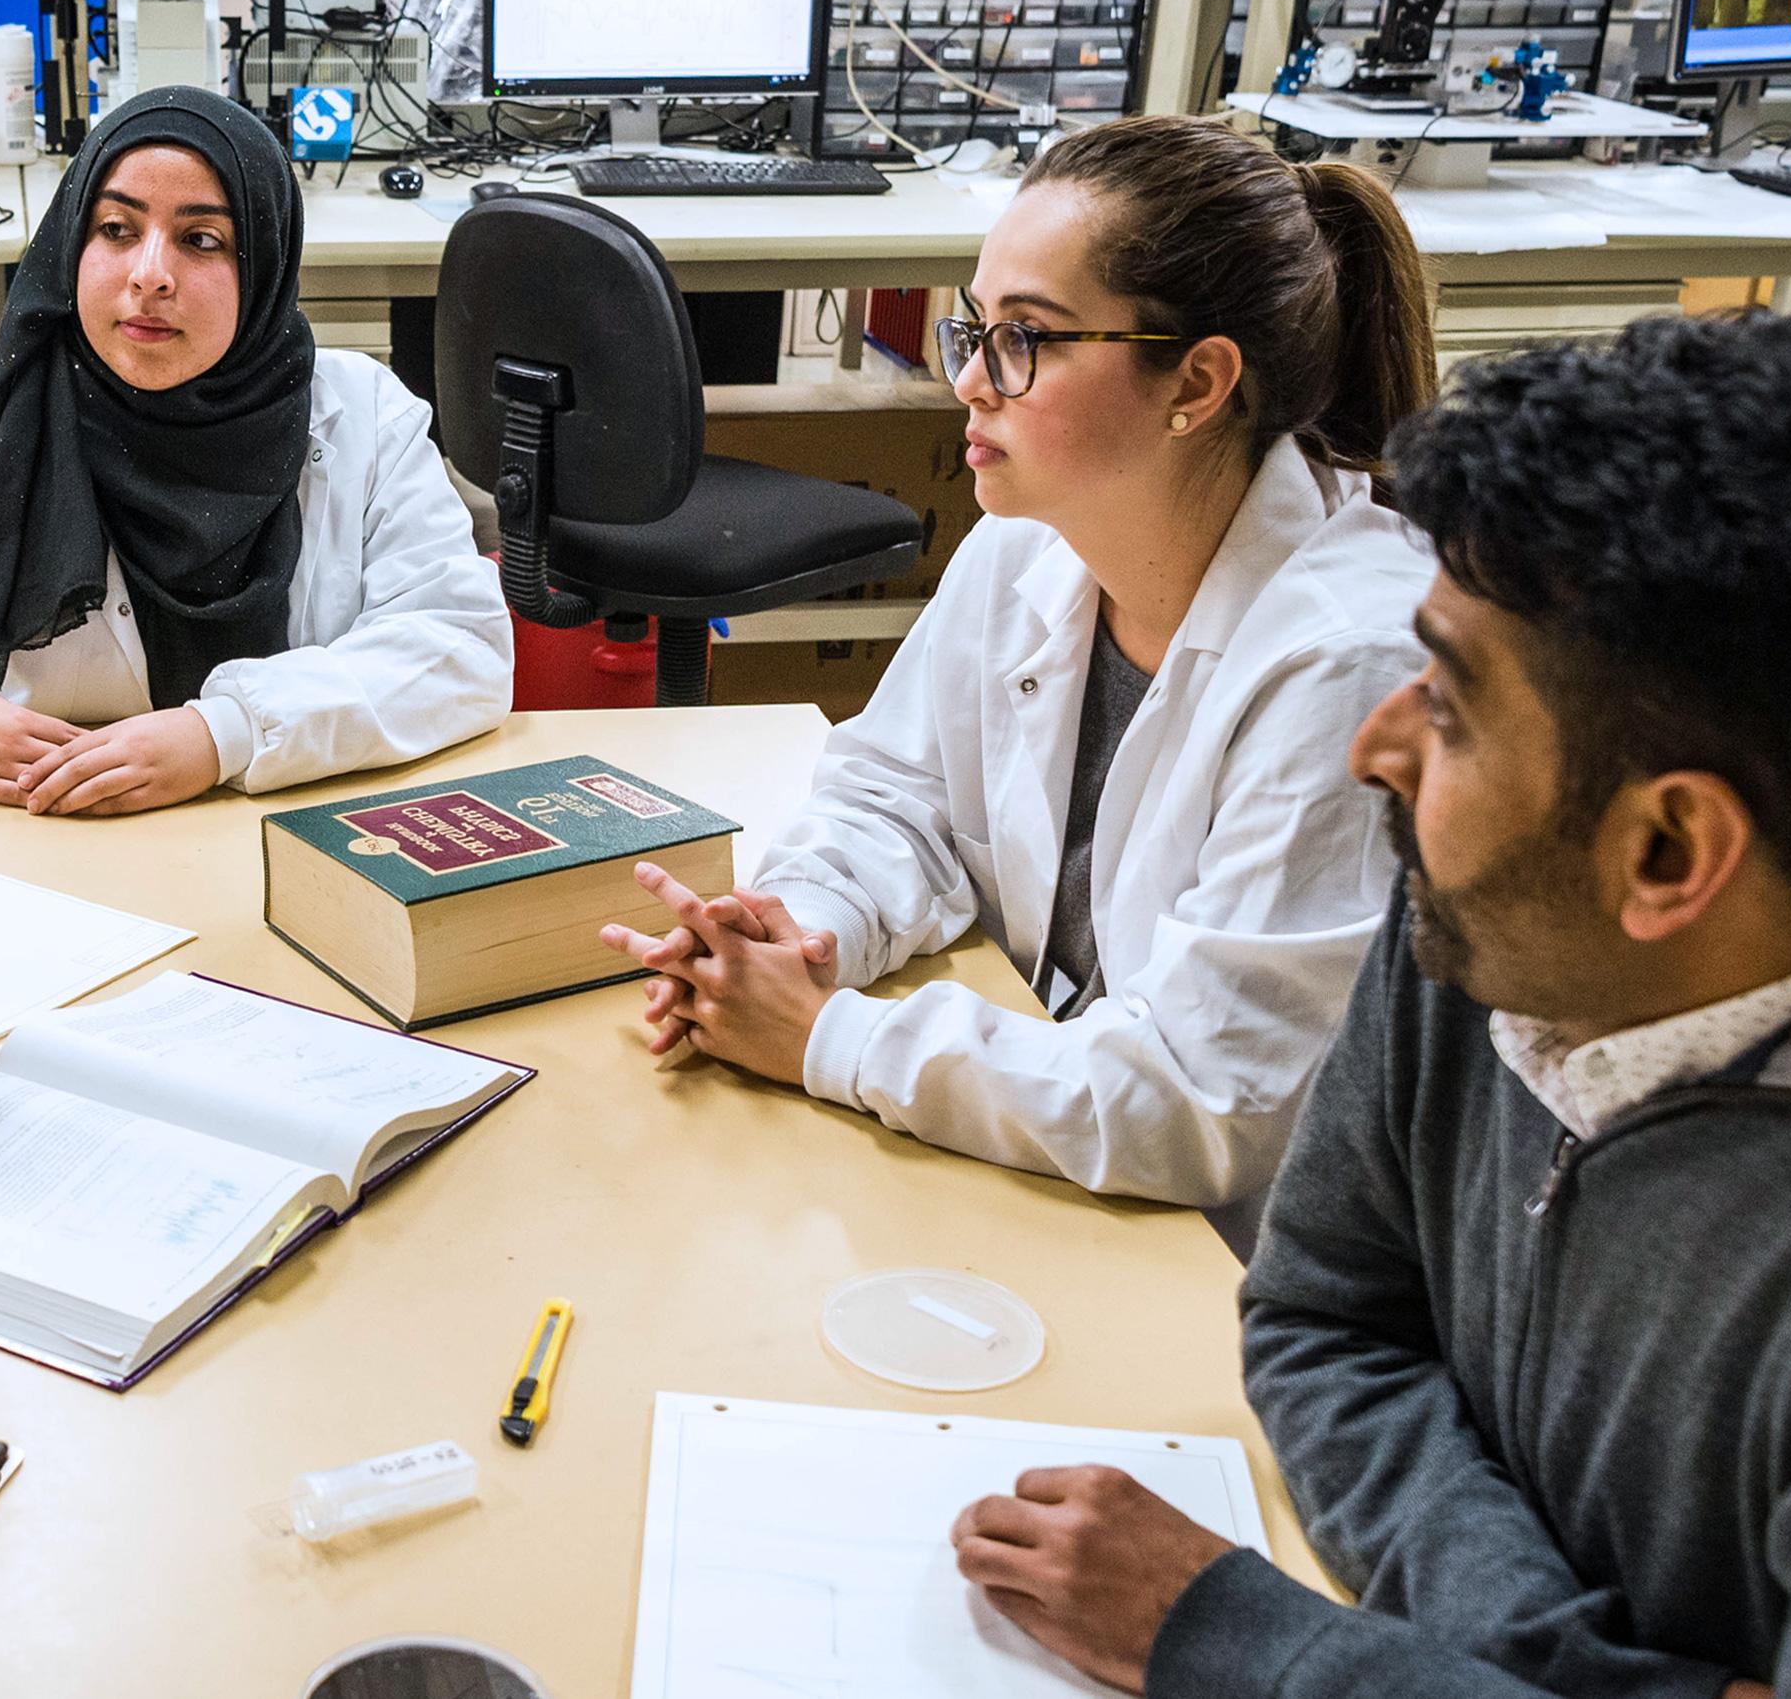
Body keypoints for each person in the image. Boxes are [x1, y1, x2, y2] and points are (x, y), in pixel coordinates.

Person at [944, 309, 1791, 1698]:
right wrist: (1563, 1662)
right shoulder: (1504, 902)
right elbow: (1324, 1316)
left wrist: (1262, 1641)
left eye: (1451, 703)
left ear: (1669, 852)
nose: (1381, 742)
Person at [603, 116, 1437, 1222]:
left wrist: (824, 1035)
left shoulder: (1348, 660)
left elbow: (1204, 1095)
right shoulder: (1029, 543)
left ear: (1195, 383)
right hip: (1068, 1165)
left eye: (1026, 339)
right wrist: (801, 930)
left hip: (1233, 1253)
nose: (970, 384)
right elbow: (898, 798)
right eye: (974, 328)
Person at [0, 85, 507, 816]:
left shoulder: (365, 422)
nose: (149, 275)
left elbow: (458, 644)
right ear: (73, 240)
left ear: (265, 266)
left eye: (200, 239)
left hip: (270, 843)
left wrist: (228, 733)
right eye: (116, 229)